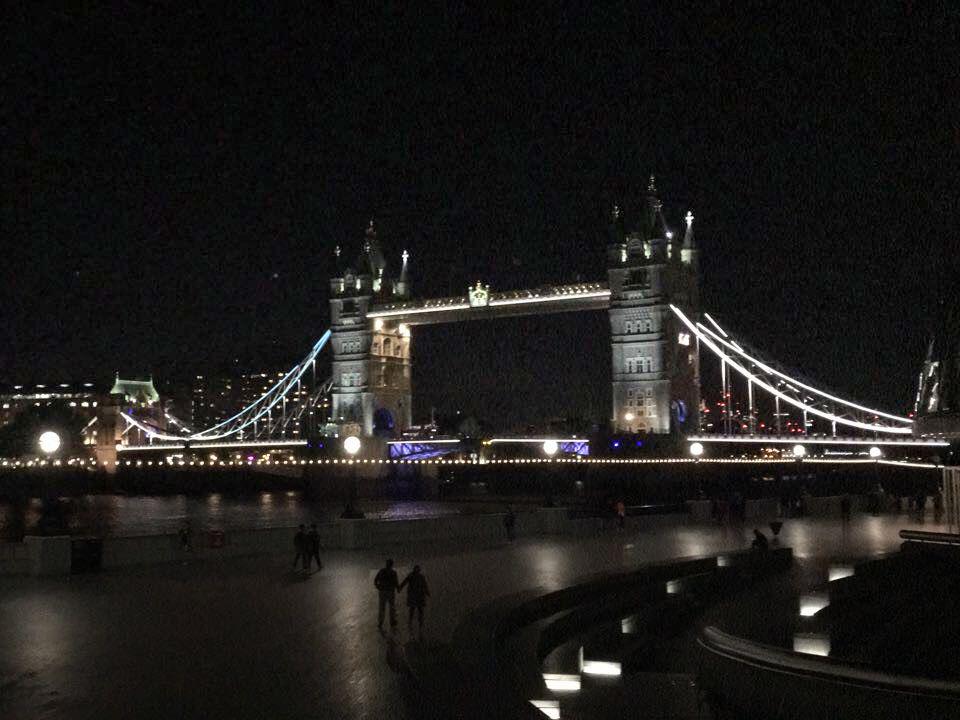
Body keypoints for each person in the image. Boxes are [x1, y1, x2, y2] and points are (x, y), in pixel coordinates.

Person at [399, 564, 430, 632]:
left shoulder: (416, 576)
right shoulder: (416, 576)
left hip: (417, 595)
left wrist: (400, 588)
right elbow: (424, 585)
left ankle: (416, 621)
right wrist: (427, 593)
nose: (417, 571)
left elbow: (424, 585)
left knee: (417, 609)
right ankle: (416, 622)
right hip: (416, 595)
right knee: (416, 609)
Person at [374, 558, 399, 630]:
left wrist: (378, 587)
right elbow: (396, 582)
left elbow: (375, 580)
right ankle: (392, 622)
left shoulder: (382, 571)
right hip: (390, 592)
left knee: (382, 607)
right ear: (392, 565)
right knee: (392, 607)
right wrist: (398, 588)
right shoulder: (393, 572)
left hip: (382, 592)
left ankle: (380, 622)